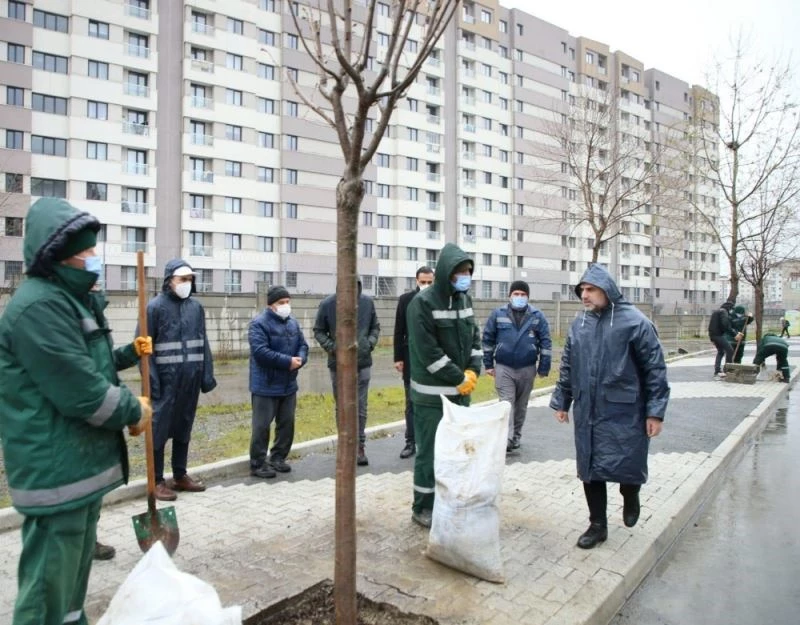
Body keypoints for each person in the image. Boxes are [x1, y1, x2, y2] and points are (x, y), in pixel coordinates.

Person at [0, 198, 152, 625]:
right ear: (58, 255)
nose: (93, 259)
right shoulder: (39, 307)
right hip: (56, 473)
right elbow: (81, 390)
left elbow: (96, 367)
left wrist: (127, 394)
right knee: (47, 592)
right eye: (86, 252)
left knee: (68, 593)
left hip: (76, 469)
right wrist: (132, 409)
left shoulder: (70, 302)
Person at [549, 264, 670, 549]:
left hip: (625, 409)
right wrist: (562, 400)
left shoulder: (636, 323)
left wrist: (655, 412)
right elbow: (568, 365)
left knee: (627, 461)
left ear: (607, 289)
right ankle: (597, 525)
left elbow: (655, 369)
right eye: (582, 291)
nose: (585, 296)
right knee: (590, 467)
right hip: (588, 407)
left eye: (590, 289)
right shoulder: (580, 324)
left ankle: (630, 494)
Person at [407, 243, 482, 528]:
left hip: (461, 395)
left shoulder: (464, 300)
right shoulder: (422, 304)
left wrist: (473, 370)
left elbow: (474, 338)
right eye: (459, 272)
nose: (464, 276)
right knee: (429, 453)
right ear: (445, 273)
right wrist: (459, 377)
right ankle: (422, 507)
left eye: (468, 272)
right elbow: (428, 353)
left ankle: (448, 500)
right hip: (431, 399)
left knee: (455, 453)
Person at [145, 259, 217, 501]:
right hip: (165, 383)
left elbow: (203, 341)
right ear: (169, 281)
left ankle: (179, 475)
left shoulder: (196, 308)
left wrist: (206, 375)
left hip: (190, 380)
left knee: (184, 426)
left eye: (190, 280)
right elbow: (144, 349)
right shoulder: (154, 307)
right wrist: (152, 382)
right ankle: (155, 481)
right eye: (182, 279)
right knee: (159, 429)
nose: (187, 284)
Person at [313, 277, 380, 466]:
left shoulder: (367, 303)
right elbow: (318, 330)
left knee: (360, 407)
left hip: (363, 363)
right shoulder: (328, 304)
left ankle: (359, 447)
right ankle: (344, 447)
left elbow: (375, 327)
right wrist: (334, 348)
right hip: (339, 365)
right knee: (342, 406)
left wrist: (369, 343)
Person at [483, 280, 552, 453]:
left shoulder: (537, 316)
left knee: (521, 406)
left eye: (523, 294)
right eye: (516, 294)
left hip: (527, 368)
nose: (519, 297)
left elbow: (546, 343)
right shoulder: (498, 314)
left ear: (528, 297)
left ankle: (516, 437)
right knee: (507, 403)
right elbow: (488, 340)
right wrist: (488, 364)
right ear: (510, 296)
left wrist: (544, 367)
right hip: (504, 367)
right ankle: (505, 438)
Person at [248, 286, 309, 478]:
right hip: (265, 385)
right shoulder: (258, 324)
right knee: (262, 426)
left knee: (286, 423)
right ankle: (258, 463)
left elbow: (303, 345)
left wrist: (300, 359)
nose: (285, 306)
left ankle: (278, 457)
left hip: (288, 384)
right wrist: (287, 362)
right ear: (271, 305)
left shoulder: (293, 323)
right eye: (281, 303)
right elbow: (260, 353)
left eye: (287, 302)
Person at [393, 266, 434, 459]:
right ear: (416, 281)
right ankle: (410, 442)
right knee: (411, 401)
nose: (426, 285)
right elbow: (398, 330)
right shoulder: (406, 300)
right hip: (411, 358)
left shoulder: (439, 300)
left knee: (433, 402)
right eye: (422, 282)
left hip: (434, 360)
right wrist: (398, 358)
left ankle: (431, 441)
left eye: (429, 282)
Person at [708, 301, 739, 379]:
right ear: (729, 308)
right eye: (732, 309)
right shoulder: (723, 312)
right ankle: (728, 369)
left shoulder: (717, 312)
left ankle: (717, 370)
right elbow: (725, 325)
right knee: (730, 350)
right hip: (718, 335)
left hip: (713, 335)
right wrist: (734, 334)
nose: (732, 311)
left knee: (721, 352)